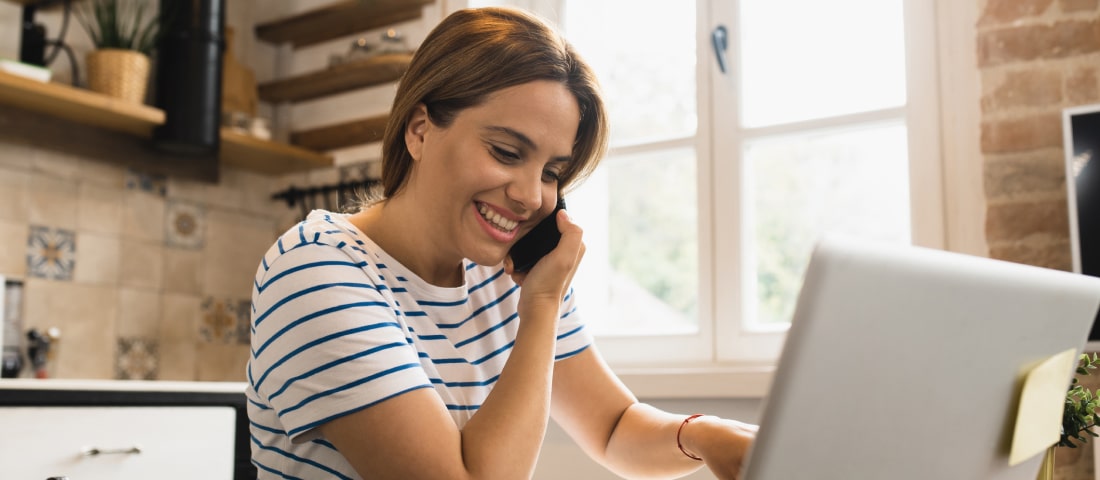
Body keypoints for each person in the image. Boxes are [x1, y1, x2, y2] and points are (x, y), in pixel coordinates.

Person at [246, 6, 757, 479]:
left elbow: (614, 426)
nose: (531, 197)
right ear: (420, 130)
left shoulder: (506, 271)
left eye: (553, 172)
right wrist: (540, 306)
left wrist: (705, 435)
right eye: (507, 151)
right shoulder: (316, 270)